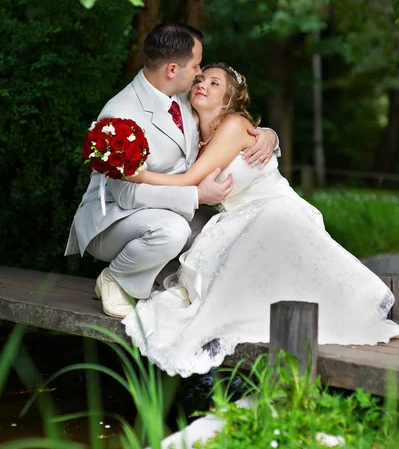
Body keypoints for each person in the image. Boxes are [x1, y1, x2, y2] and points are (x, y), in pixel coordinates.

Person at [121, 63, 399, 378]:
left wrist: (133, 174)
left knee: (268, 224)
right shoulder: (192, 136)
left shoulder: (233, 125)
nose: (202, 84)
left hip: (276, 209)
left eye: (215, 83)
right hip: (233, 221)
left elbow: (190, 180)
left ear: (226, 102)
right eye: (200, 79)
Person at [65, 24, 279, 318]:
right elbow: (127, 194)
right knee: (173, 230)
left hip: (165, 208)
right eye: (195, 66)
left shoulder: (183, 97)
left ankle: (162, 284)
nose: (199, 73)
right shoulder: (121, 115)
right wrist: (195, 196)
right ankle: (116, 277)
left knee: (225, 232)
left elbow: (222, 125)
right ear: (172, 69)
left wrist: (267, 134)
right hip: (115, 218)